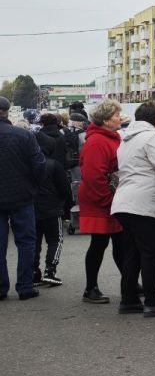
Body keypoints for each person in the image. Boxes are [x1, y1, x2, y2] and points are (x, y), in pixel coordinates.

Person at [111, 100, 155, 317]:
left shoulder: (126, 139)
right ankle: (153, 301)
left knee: (132, 253)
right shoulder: (152, 136)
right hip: (145, 203)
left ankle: (129, 299)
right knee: (150, 254)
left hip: (123, 202)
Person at [78, 99, 126, 304]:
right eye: (116, 115)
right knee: (99, 244)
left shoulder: (111, 137)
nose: (119, 118)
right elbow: (93, 176)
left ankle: (130, 282)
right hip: (100, 201)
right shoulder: (97, 141)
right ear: (106, 120)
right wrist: (108, 199)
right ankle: (90, 288)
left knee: (120, 243)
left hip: (111, 199)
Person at [0, 96, 45, 301]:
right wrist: (34, 186)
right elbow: (39, 164)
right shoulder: (24, 135)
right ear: (7, 111)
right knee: (26, 241)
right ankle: (25, 286)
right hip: (22, 195)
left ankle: (1, 288)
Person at [33, 122, 71, 288]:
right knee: (56, 240)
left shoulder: (28, 165)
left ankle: (33, 272)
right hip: (52, 208)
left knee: (34, 242)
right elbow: (65, 189)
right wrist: (65, 205)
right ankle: (50, 270)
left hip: (32, 208)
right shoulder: (54, 165)